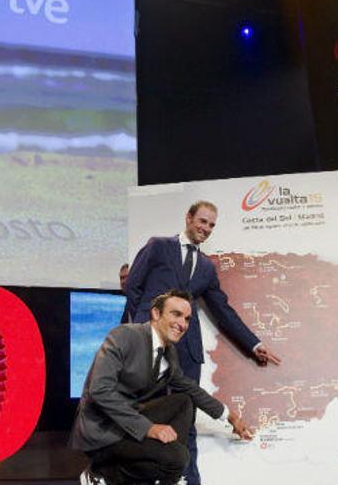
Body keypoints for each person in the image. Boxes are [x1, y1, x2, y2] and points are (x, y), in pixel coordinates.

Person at [123, 200, 281, 484]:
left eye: (211, 225)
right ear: (189, 218)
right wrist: (142, 332)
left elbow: (222, 309)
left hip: (187, 350)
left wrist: (253, 344)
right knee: (146, 413)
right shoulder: (158, 246)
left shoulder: (207, 267)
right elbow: (133, 286)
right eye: (203, 221)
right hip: (150, 344)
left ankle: (189, 478)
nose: (206, 229)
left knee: (186, 416)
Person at [70, 290, 253, 485]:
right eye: (176, 314)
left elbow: (191, 389)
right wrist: (148, 428)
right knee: (179, 457)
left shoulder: (169, 353)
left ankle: (164, 474)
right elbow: (99, 390)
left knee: (183, 402)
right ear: (156, 314)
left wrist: (231, 417)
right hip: (102, 430)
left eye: (187, 318)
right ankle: (103, 473)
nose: (182, 324)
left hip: (126, 423)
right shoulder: (125, 335)